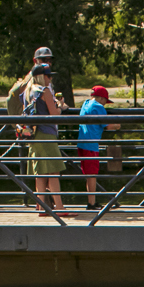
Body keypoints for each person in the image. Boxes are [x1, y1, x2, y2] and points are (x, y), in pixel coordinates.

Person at [18, 63, 66, 215]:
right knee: (53, 171)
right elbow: (53, 114)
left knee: (40, 173)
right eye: (48, 76)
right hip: (46, 134)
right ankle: (59, 207)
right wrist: (61, 107)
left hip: (33, 135)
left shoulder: (28, 91)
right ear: (41, 76)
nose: (50, 79)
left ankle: (41, 206)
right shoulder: (44, 91)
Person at [76, 84, 117, 210]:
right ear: (101, 99)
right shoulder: (98, 107)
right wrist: (118, 124)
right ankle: (92, 204)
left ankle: (91, 201)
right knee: (92, 174)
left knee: (89, 175)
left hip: (81, 143)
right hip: (91, 145)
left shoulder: (86, 103)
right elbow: (107, 125)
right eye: (105, 101)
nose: (105, 104)